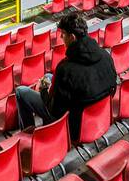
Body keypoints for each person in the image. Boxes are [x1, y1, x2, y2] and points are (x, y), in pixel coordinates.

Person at [14, 10, 117, 140]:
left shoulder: (66, 68)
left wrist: (43, 89)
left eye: (63, 34)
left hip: (73, 125)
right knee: (49, 77)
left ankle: (29, 135)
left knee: (21, 91)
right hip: (98, 115)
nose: (61, 38)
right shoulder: (105, 56)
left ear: (72, 37)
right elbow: (112, 88)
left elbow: (54, 109)